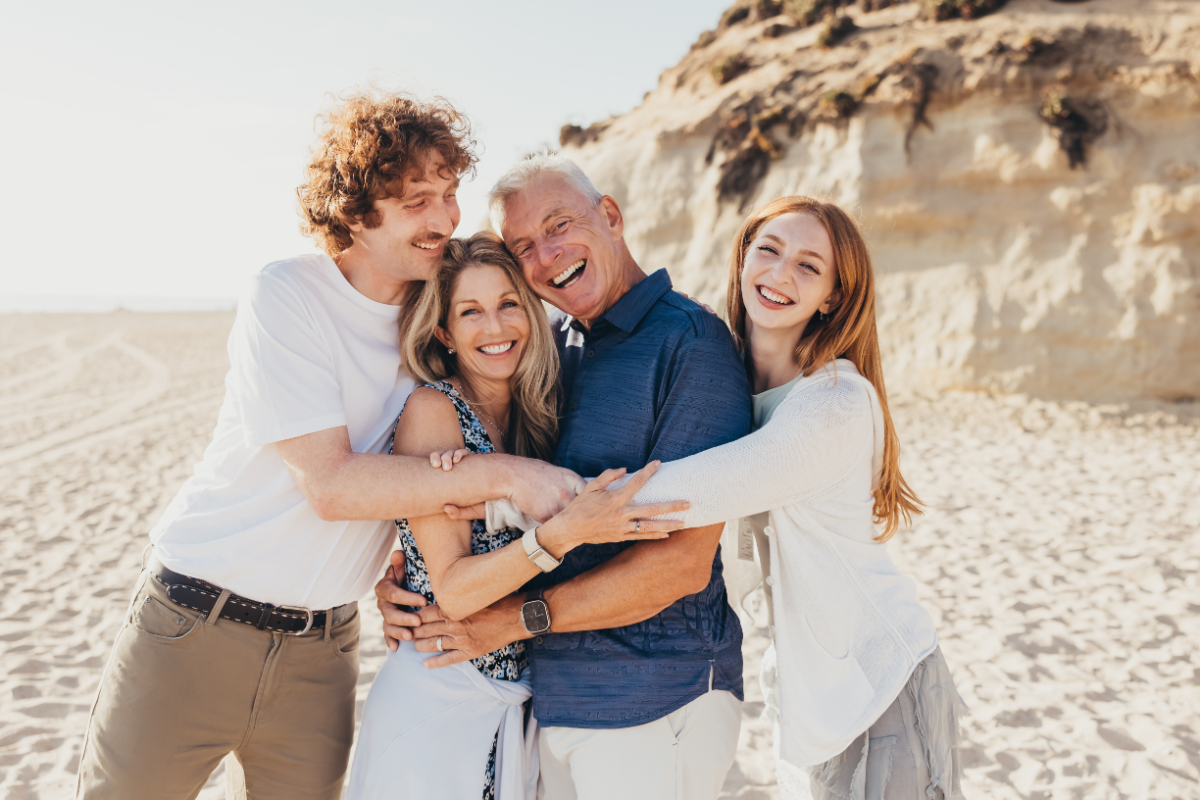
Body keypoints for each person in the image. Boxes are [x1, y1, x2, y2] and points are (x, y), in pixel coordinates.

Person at [75, 94, 582, 800]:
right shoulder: (288, 294)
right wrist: (505, 475)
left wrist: (397, 564)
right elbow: (332, 486)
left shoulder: (434, 322)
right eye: (416, 202)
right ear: (354, 211)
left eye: (449, 195)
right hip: (196, 624)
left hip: (325, 652)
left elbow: (433, 451)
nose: (443, 218)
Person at [375, 155, 753, 800]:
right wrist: (409, 572)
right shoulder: (555, 349)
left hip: (655, 696)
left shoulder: (690, 343)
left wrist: (514, 622)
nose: (547, 256)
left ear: (609, 216)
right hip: (547, 701)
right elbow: (511, 499)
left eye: (559, 225)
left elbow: (682, 564)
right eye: (524, 245)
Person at [617, 197, 968, 799]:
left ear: (833, 295)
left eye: (809, 267)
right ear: (743, 257)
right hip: (809, 687)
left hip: (877, 678)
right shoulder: (736, 391)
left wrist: (516, 487)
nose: (780, 275)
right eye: (769, 251)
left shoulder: (833, 401)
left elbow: (683, 494)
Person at [346, 233, 689, 800]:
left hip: (518, 702)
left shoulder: (540, 418)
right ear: (444, 332)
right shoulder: (434, 413)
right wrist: (559, 535)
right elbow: (453, 592)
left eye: (508, 304)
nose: (495, 327)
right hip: (439, 694)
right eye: (470, 312)